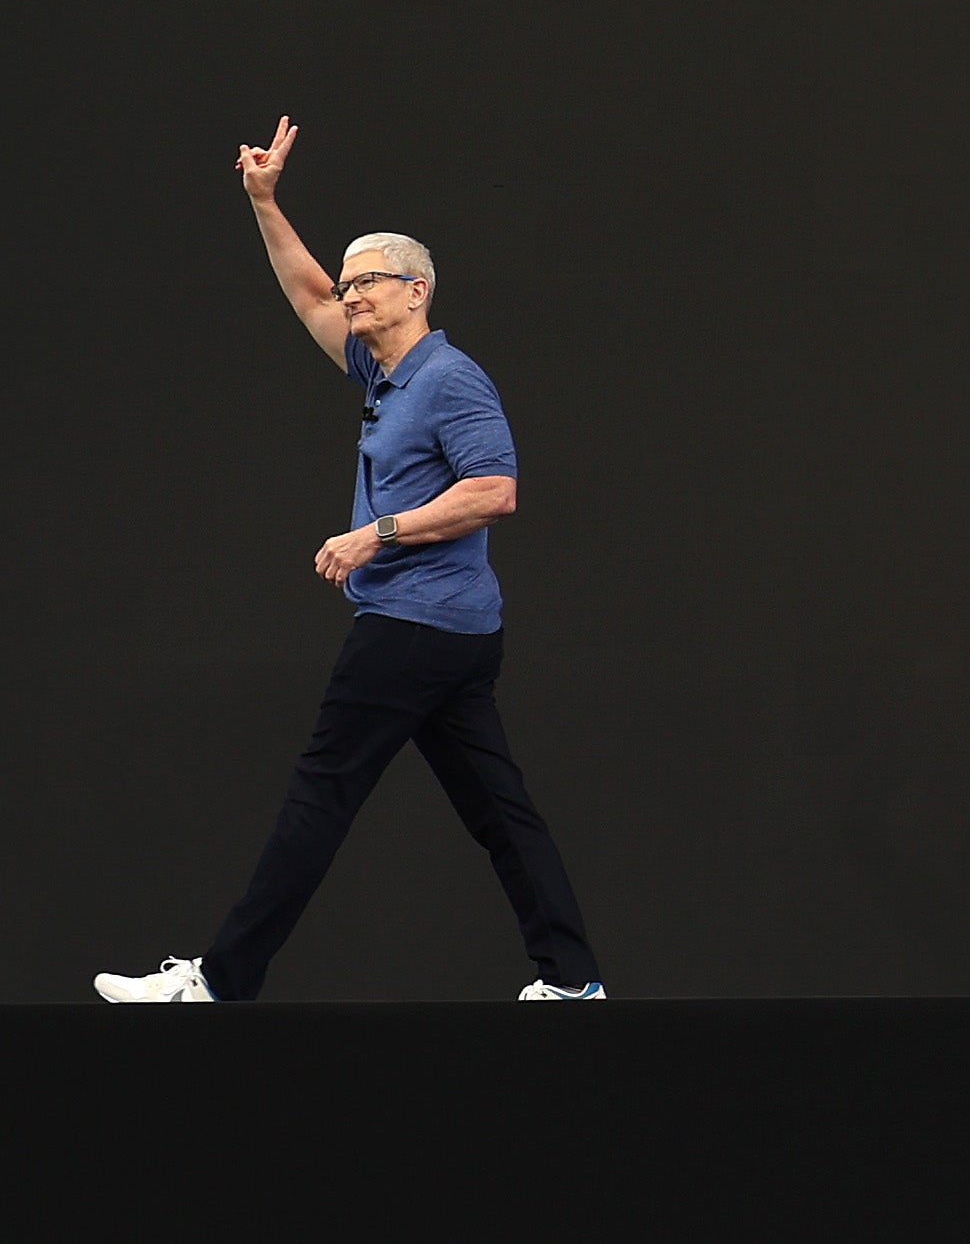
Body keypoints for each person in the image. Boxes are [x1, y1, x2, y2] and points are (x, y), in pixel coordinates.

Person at [95, 118, 606, 1002]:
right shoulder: (382, 374)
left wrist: (381, 533)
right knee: (500, 813)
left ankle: (221, 979)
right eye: (350, 280)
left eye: (367, 282)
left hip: (412, 626)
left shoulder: (452, 379)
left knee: (320, 795)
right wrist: (263, 200)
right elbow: (303, 293)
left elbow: (496, 490)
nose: (349, 293)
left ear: (417, 292)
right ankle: (574, 979)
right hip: (453, 636)